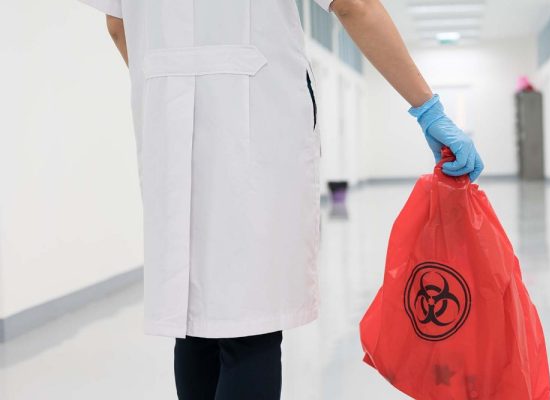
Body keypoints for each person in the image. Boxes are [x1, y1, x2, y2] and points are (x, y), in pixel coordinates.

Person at [79, 0, 484, 398]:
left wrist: (176, 86)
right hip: (256, 130)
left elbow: (118, 25)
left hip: (168, 135)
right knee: (251, 327)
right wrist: (427, 109)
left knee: (195, 323)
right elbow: (354, 5)